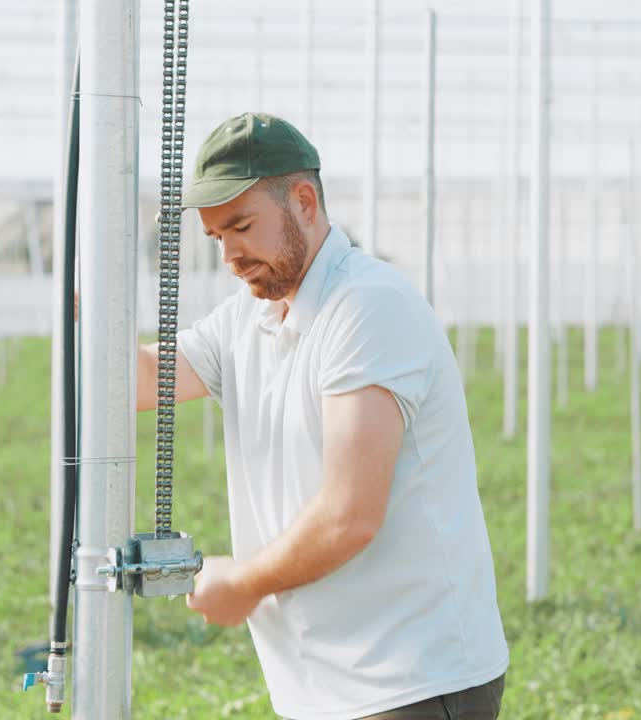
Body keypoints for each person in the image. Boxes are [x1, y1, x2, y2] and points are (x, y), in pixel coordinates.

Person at [135, 112, 508, 720]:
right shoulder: (250, 315)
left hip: (410, 682)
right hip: (328, 688)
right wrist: (85, 312)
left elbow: (350, 516)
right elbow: (146, 380)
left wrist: (246, 582)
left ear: (304, 200)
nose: (229, 254)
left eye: (242, 226)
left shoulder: (366, 308)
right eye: (216, 238)